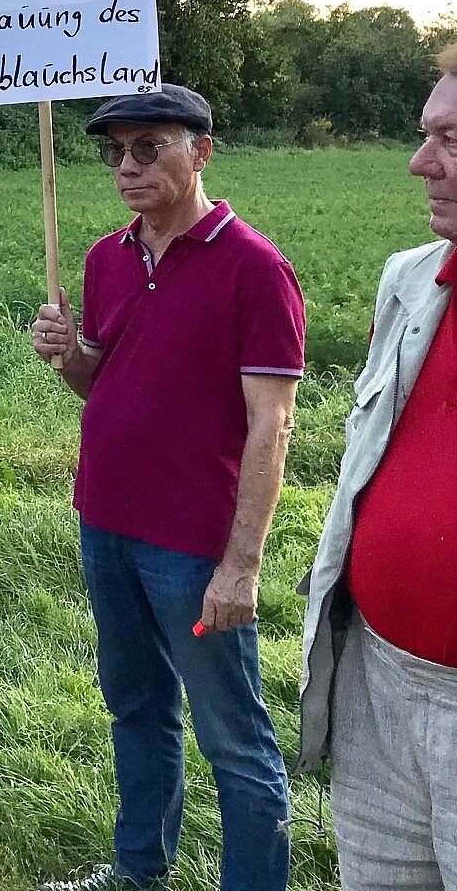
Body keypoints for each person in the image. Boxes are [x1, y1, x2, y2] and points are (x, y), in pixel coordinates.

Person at [32, 85, 302, 891]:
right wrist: (69, 357)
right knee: (136, 708)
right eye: (115, 151)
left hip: (192, 544)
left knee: (234, 739)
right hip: (105, 522)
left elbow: (273, 426)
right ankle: (137, 871)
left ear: (201, 151)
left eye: (149, 147)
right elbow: (104, 385)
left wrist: (241, 565)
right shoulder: (106, 257)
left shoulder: (255, 267)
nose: (126, 166)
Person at [297, 46, 457, 891]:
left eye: (452, 140)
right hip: (377, 682)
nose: (419, 162)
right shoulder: (411, 281)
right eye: (425, 133)